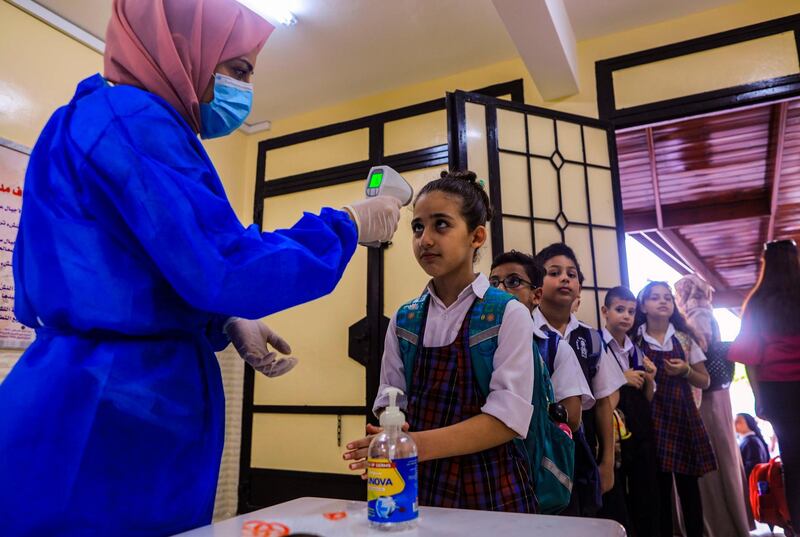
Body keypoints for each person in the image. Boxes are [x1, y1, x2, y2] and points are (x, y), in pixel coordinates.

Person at [0, 1, 402, 535]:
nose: (243, 89)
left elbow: (136, 267)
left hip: (78, 391)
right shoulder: (136, 122)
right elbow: (223, 263)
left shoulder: (87, 118)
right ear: (181, 52)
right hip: (113, 412)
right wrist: (346, 224)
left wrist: (218, 320)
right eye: (237, 70)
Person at [344, 171, 536, 513]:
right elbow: (390, 399)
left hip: (491, 485)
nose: (425, 239)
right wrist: (388, 436)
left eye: (441, 225)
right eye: (417, 227)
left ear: (477, 236)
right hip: (417, 481)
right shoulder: (405, 319)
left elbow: (507, 420)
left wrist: (412, 443)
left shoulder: (508, 313)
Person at [533, 243, 625, 516]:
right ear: (537, 285)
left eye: (571, 274)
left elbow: (604, 402)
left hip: (580, 450)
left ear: (579, 288)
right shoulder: (524, 329)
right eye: (554, 272)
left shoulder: (591, 338)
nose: (565, 278)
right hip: (538, 448)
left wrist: (607, 461)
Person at [631, 281, 716, 537]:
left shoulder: (684, 338)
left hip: (683, 416)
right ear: (643, 305)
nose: (663, 301)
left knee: (689, 487)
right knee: (659, 489)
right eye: (655, 297)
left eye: (667, 297)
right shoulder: (634, 339)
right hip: (649, 418)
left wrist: (686, 370)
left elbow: (705, 380)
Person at [730, 239, 800, 533]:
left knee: (793, 460)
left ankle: (796, 524)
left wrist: (760, 398)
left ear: (765, 263)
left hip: (777, 391)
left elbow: (749, 358)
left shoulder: (757, 303)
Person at [675, 274, 751, 537]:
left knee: (711, 456)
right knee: (723, 454)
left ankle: (717, 522)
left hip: (704, 396)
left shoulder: (696, 317)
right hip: (718, 395)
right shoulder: (706, 312)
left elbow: (699, 358)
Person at [489, 250, 593, 433]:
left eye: (513, 282)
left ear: (536, 296)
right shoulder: (479, 342)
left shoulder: (554, 347)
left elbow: (573, 418)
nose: (499, 290)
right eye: (493, 283)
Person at [598, 286, 658, 536]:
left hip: (640, 425)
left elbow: (647, 395)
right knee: (617, 491)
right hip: (613, 425)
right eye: (619, 310)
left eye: (631, 312)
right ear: (605, 311)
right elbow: (597, 391)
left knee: (645, 489)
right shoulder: (596, 343)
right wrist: (621, 377)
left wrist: (651, 379)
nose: (626, 316)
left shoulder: (636, 349)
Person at [736, 413, 770, 480]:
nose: (734, 424)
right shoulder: (748, 440)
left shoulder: (751, 442)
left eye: (738, 422)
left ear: (748, 423)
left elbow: (752, 468)